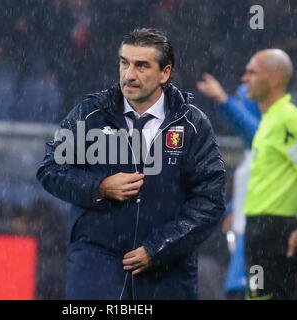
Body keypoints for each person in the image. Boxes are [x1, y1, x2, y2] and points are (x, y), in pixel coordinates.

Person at [36, 28, 226, 300]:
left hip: (167, 273)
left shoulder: (193, 126)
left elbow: (210, 201)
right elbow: (51, 169)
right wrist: (99, 187)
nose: (129, 74)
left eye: (141, 65)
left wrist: (158, 248)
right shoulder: (90, 115)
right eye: (124, 63)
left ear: (165, 73)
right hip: (97, 267)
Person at [241, 49, 297, 300]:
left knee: (266, 297)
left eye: (252, 72)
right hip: (260, 230)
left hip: (274, 231)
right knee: (257, 297)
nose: (245, 78)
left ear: (276, 76)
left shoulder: (285, 118)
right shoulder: (270, 119)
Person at [197, 75, 261, 299]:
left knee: (254, 293)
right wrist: (233, 210)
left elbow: (256, 132)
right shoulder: (250, 154)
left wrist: (225, 101)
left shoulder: (268, 142)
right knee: (246, 292)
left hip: (256, 242)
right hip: (245, 243)